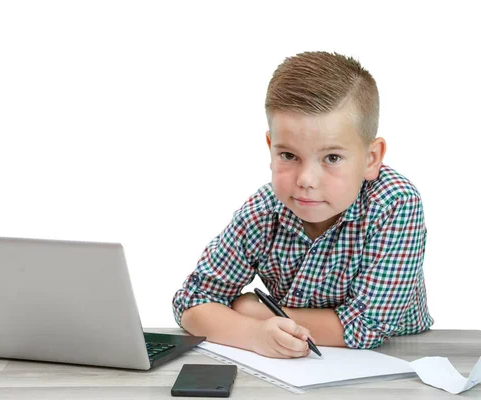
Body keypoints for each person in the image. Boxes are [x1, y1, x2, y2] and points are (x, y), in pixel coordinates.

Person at [172, 51, 433, 359]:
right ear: (271, 148)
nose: (306, 179)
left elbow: (367, 326)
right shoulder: (263, 211)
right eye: (289, 156)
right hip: (298, 361)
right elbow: (192, 300)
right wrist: (253, 334)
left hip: (399, 355)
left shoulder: (395, 204)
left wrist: (257, 312)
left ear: (371, 158)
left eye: (332, 158)